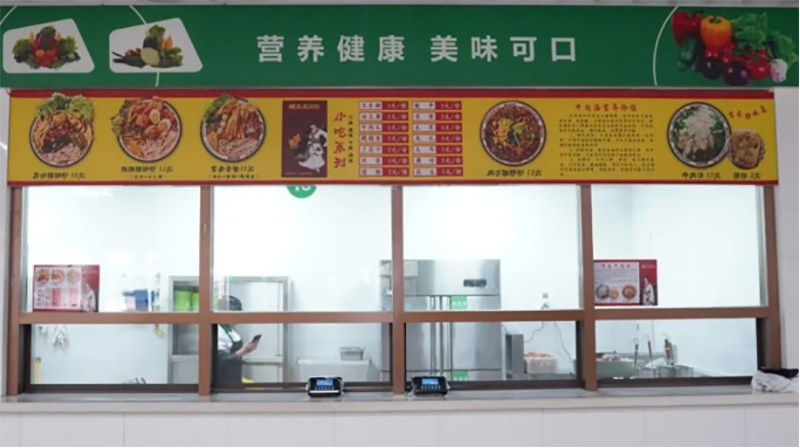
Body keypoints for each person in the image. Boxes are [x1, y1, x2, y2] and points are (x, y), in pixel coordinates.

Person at [215, 296, 259, 385]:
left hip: (234, 378)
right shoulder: (218, 331)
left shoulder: (228, 328)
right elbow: (221, 360)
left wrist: (246, 348)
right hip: (224, 382)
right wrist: (244, 350)